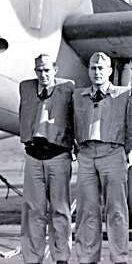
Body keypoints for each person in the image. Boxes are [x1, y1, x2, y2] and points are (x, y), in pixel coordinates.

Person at [73, 52, 132, 264]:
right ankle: (88, 257)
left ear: (110, 71)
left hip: (112, 154)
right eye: (93, 68)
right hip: (86, 156)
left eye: (102, 68)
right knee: (87, 210)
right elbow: (74, 124)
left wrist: (121, 151)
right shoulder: (79, 97)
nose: (97, 72)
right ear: (89, 71)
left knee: (117, 210)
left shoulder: (123, 95)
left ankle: (119, 258)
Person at [19, 54, 74, 264]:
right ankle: (33, 258)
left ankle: (61, 257)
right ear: (35, 72)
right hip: (33, 156)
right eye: (39, 70)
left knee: (60, 209)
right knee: (33, 211)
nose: (43, 74)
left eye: (47, 70)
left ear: (55, 71)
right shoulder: (26, 88)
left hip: (57, 156)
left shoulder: (67, 88)